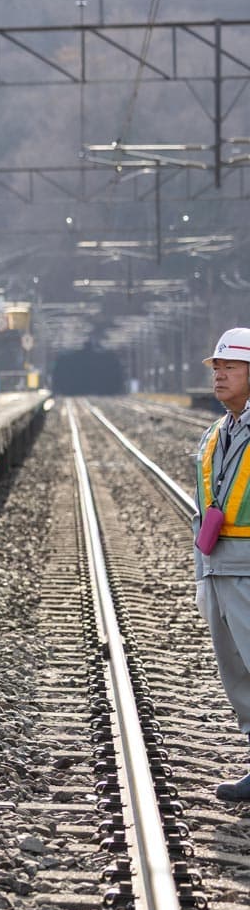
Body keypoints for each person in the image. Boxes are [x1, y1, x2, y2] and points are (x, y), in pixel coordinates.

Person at [198, 329, 250, 801]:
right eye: (216, 367)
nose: (219, 375)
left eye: (230, 367)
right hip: (218, 569)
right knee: (238, 675)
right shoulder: (218, 432)